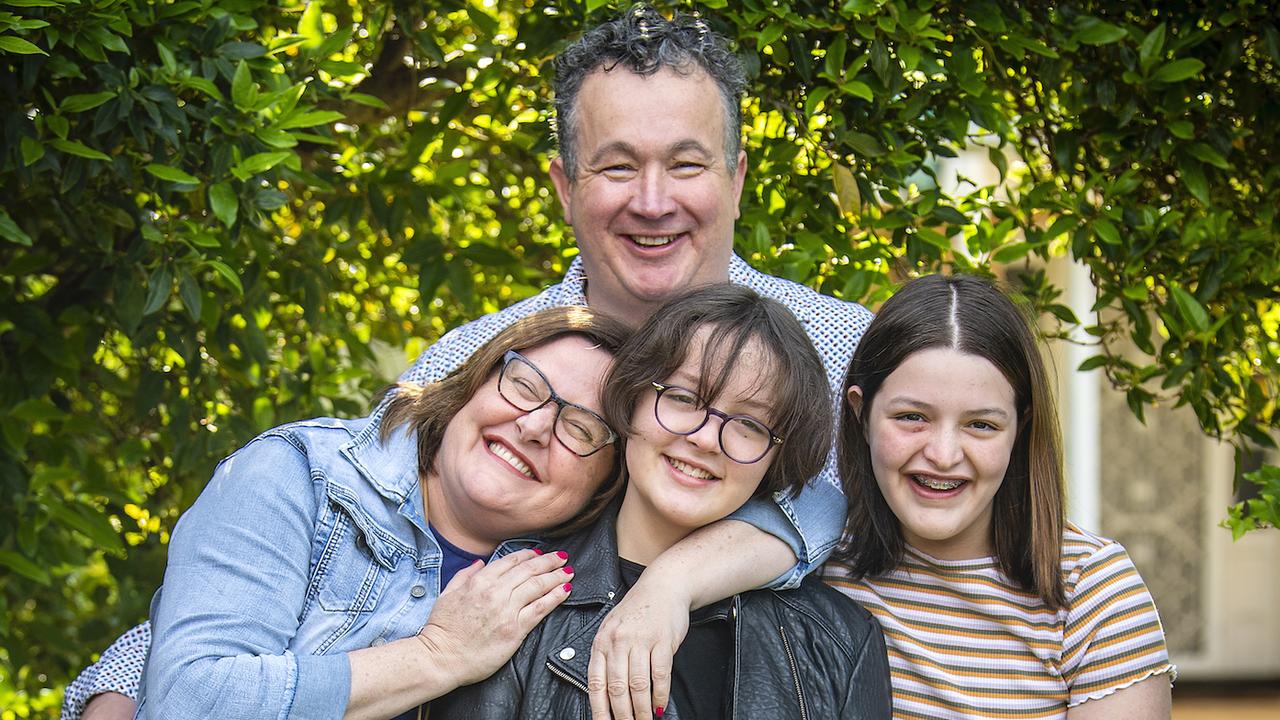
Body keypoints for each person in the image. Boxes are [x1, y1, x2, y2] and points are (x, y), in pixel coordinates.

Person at [63, 6, 874, 720]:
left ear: (736, 179)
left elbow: (892, 510)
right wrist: (124, 689)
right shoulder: (484, 360)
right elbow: (331, 541)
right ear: (564, 187)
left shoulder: (843, 353)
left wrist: (675, 582)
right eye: (617, 166)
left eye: (687, 164)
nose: (653, 200)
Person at [134, 307, 631, 718]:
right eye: (524, 385)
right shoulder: (301, 473)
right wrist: (439, 655)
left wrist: (671, 588)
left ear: (604, 485)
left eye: (582, 429)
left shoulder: (587, 586)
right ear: (475, 382)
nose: (535, 425)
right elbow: (189, 699)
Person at [434, 285, 892, 719]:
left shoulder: (841, 640)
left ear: (775, 458)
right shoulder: (510, 597)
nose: (707, 438)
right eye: (684, 398)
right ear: (630, 398)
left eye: (749, 425)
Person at [822, 274, 1175, 719]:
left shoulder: (1094, 590)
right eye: (912, 417)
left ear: (1020, 428)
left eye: (981, 425)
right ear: (861, 413)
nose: (944, 455)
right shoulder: (814, 564)